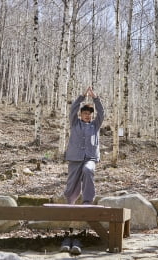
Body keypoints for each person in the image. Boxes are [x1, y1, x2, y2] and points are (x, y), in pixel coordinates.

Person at [61, 86, 104, 254]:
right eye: (85, 114)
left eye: (89, 114)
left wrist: (96, 98)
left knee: (88, 171)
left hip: (90, 158)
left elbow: (102, 113)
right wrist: (81, 96)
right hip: (74, 158)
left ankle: (87, 201)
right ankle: (70, 203)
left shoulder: (95, 125)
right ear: (81, 115)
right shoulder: (75, 122)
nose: (87, 116)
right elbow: (72, 108)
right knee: (71, 185)